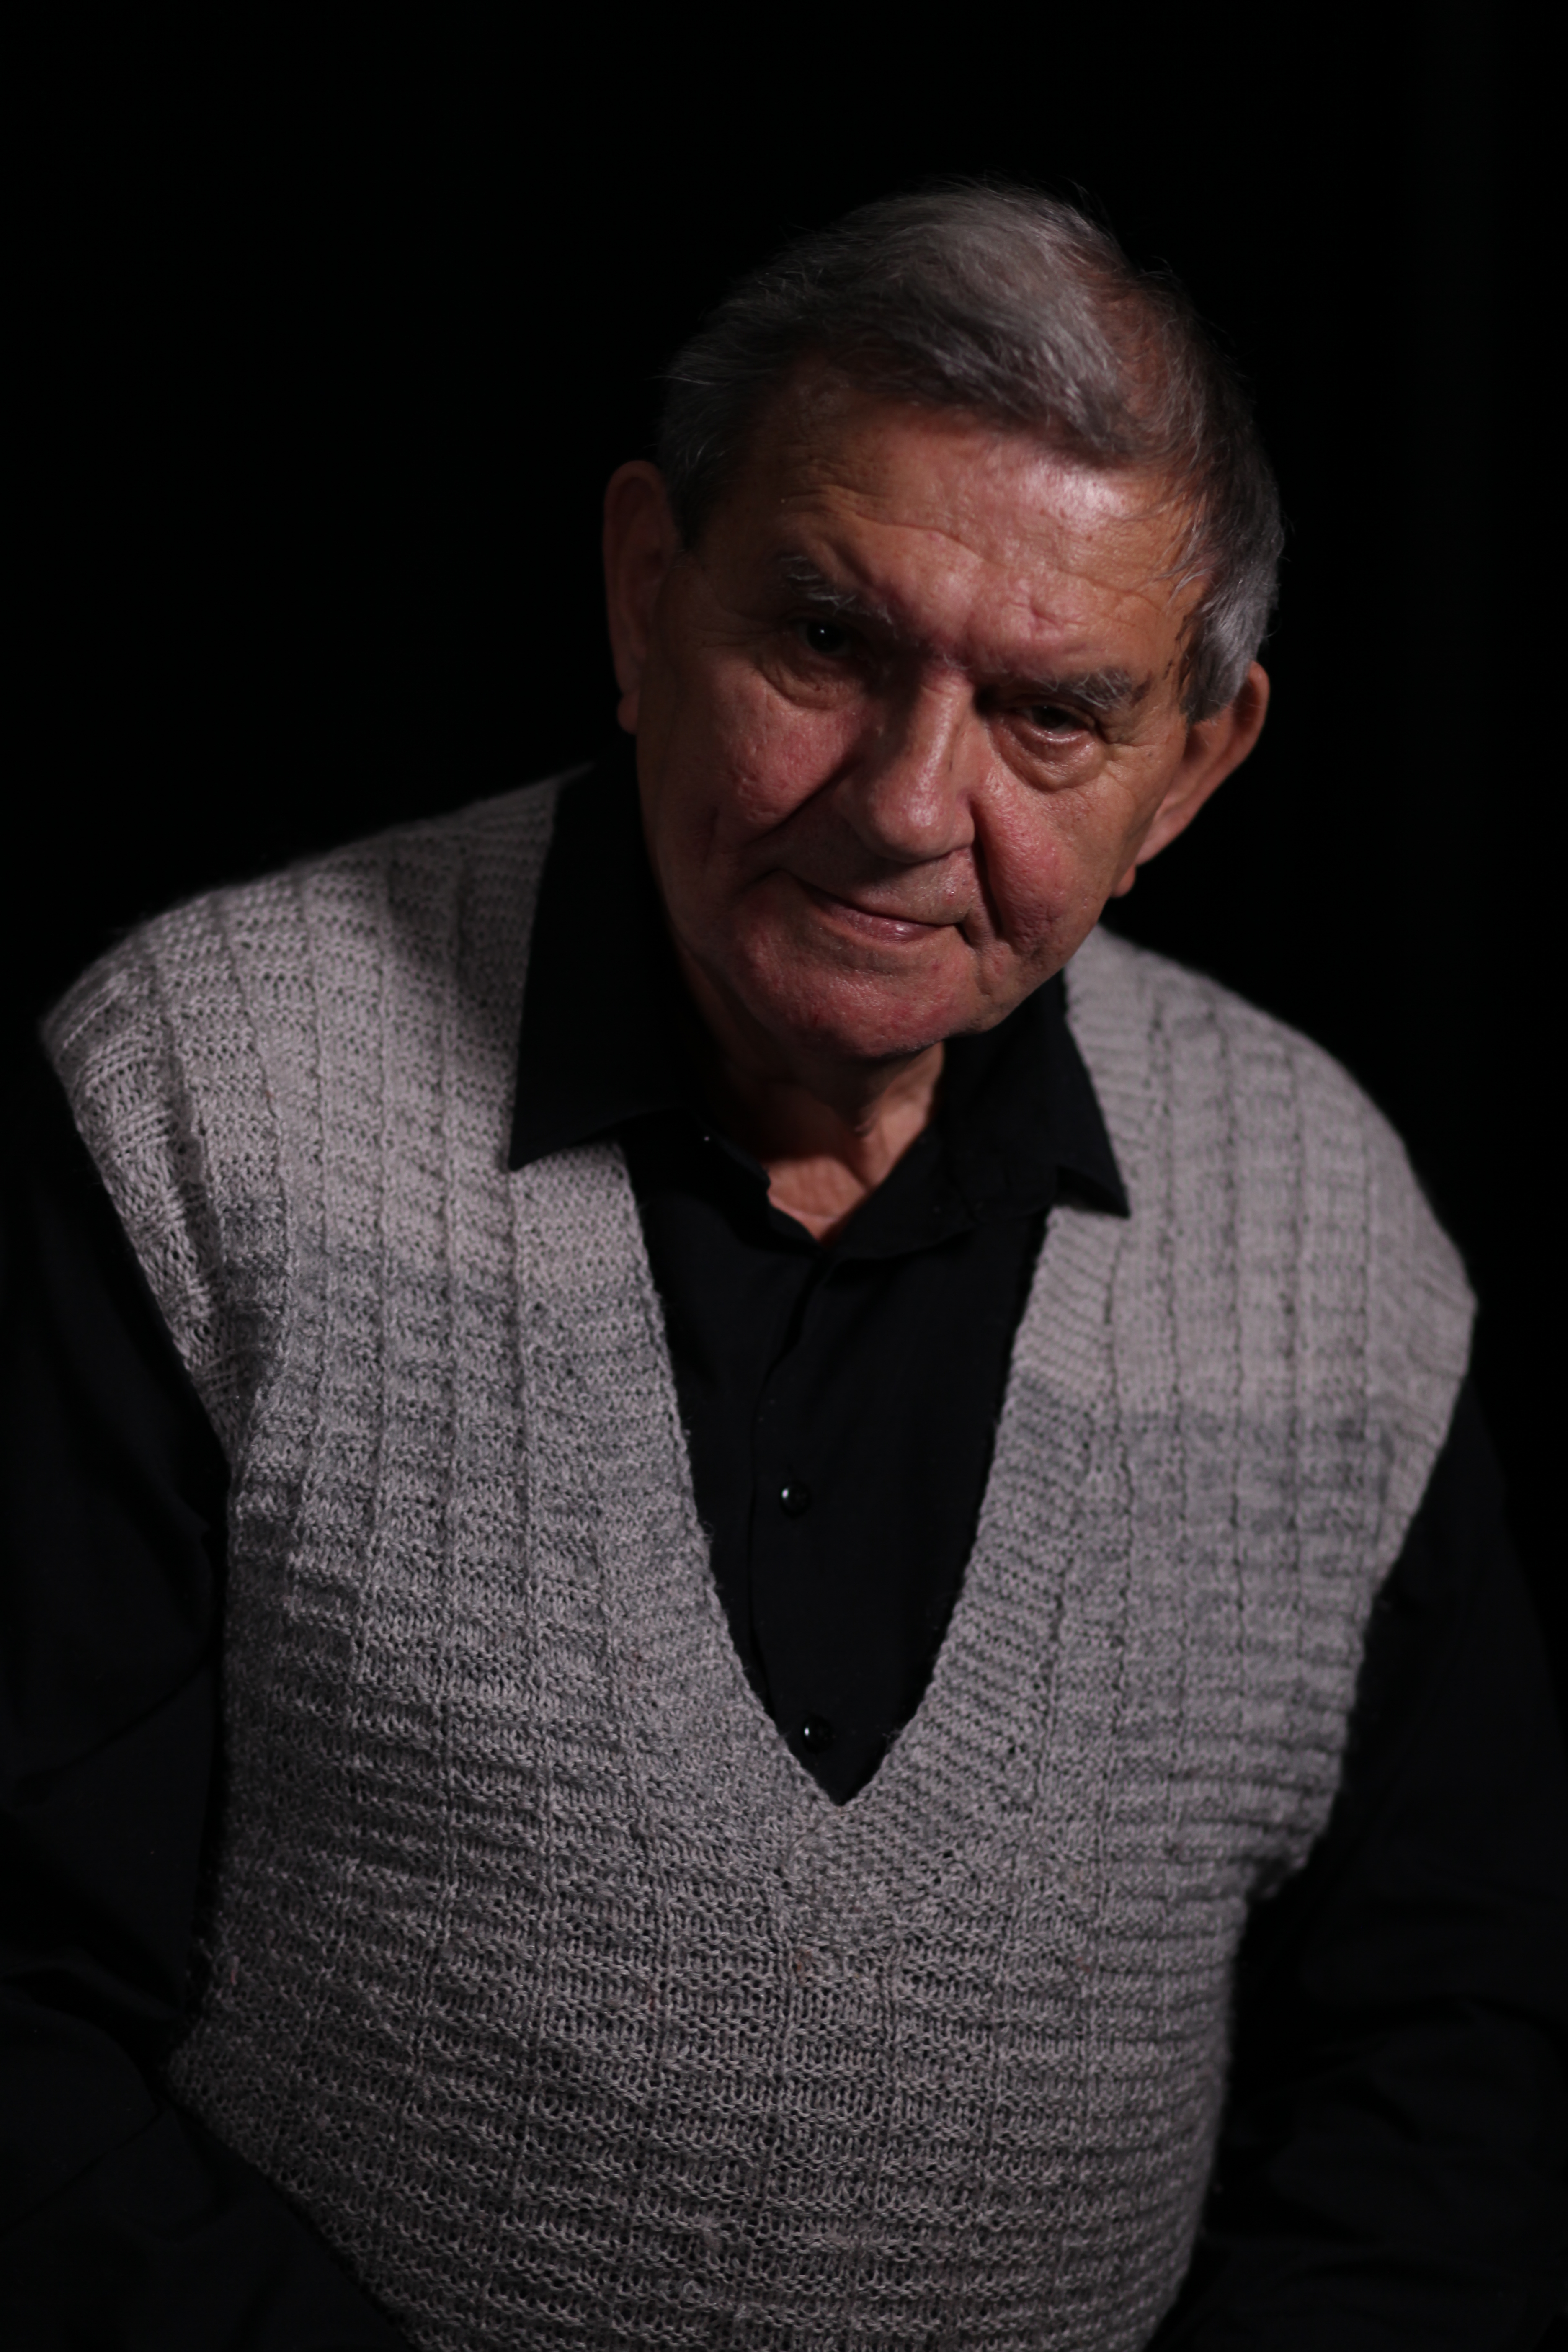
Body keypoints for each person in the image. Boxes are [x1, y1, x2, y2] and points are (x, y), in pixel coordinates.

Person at [3, 184, 1565, 2351]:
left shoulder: (1330, 1236)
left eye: (1053, 715)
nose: (910, 805)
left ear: (1193, 771)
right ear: (648, 590)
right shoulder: (204, 1101)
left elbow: (1448, 2063)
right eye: (828, 642)